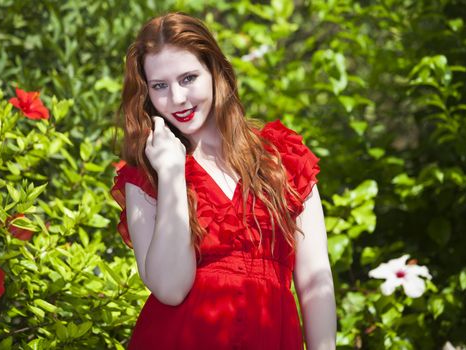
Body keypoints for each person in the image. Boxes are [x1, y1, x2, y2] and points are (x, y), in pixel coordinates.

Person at [111, 12, 336, 350]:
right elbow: (171, 288)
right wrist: (171, 173)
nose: (177, 99)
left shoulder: (284, 159)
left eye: (188, 78)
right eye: (160, 86)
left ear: (217, 72)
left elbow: (315, 278)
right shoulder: (145, 175)